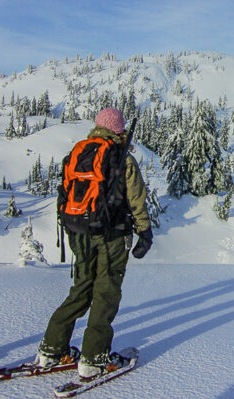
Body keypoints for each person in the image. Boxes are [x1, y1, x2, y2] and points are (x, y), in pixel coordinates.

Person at [34, 108, 153, 378]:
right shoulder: (122, 158)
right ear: (119, 130)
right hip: (112, 235)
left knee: (81, 289)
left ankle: (52, 350)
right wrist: (145, 231)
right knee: (106, 293)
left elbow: (65, 193)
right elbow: (136, 200)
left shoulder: (79, 152)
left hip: (79, 233)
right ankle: (94, 358)